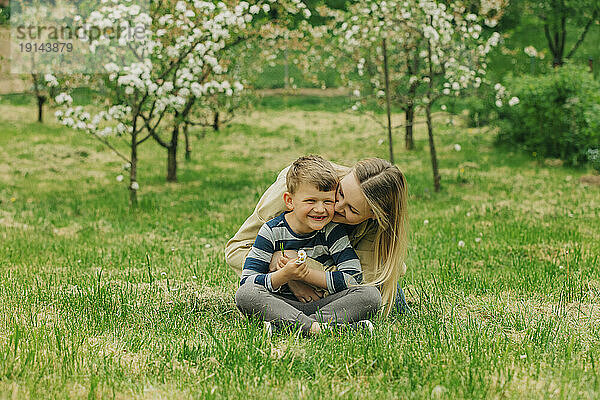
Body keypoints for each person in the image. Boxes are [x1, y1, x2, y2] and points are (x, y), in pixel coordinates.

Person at [226, 157, 409, 319]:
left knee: (377, 298)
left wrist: (301, 270)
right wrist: (286, 273)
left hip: (330, 296)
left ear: (373, 216)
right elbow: (236, 250)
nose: (335, 207)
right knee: (248, 294)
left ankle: (300, 323)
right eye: (341, 193)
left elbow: (357, 280)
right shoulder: (298, 185)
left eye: (351, 209)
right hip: (283, 292)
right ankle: (318, 323)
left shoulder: (375, 228)